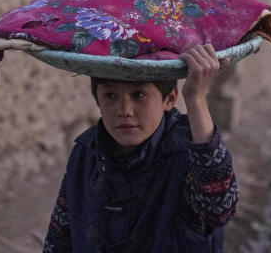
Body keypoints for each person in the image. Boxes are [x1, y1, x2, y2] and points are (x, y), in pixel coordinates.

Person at [42, 44, 239, 252]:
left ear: (170, 99)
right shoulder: (86, 151)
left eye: (138, 95)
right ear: (97, 101)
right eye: (110, 96)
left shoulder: (190, 152)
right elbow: (59, 237)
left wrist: (196, 98)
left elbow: (220, 210)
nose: (125, 110)